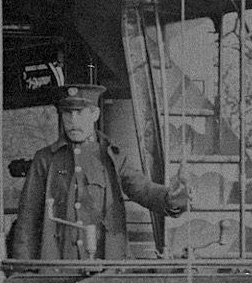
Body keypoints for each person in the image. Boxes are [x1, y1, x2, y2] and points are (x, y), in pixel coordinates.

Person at [12, 84, 189, 260]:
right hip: (58, 267)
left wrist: (171, 197)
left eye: (80, 113)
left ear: (95, 114)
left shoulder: (112, 156)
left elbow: (142, 189)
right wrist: (22, 268)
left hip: (105, 266)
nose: (73, 121)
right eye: (67, 113)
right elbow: (28, 217)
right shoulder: (45, 159)